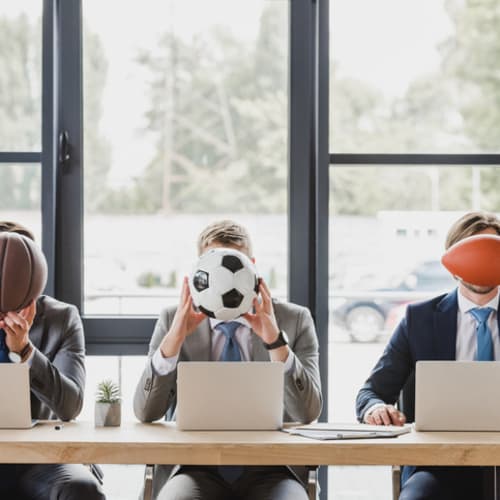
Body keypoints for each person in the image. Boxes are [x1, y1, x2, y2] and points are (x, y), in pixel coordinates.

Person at [134, 219, 322, 500]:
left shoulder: (293, 320)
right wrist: (173, 340)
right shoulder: (173, 319)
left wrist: (275, 341)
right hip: (192, 467)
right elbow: (145, 412)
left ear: (253, 270)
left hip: (273, 467)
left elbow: (308, 413)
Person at [356, 211, 500, 500]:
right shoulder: (418, 318)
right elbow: (370, 392)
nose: (479, 262)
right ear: (452, 263)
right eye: (471, 252)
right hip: (437, 465)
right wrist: (375, 409)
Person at [0, 221, 105, 500]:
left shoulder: (61, 317)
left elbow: (70, 406)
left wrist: (24, 350)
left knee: (81, 489)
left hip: (41, 457)